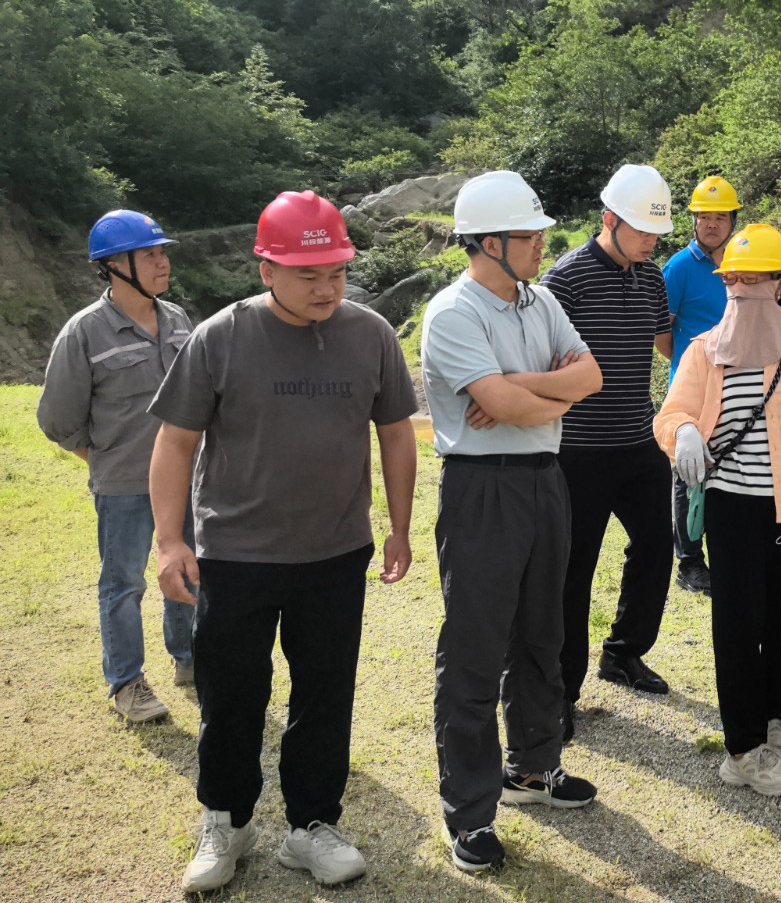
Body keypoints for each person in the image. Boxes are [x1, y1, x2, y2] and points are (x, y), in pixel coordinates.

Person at [148, 191, 418, 894]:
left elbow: (396, 433)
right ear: (266, 269)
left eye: (337, 272)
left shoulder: (371, 335)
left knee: (325, 695)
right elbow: (175, 443)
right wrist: (169, 541)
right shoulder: (220, 336)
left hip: (335, 552)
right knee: (231, 696)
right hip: (235, 553)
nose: (327, 288)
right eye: (308, 275)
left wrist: (398, 527)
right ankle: (226, 820)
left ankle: (312, 825)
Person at [420, 171, 603, 873]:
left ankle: (533, 766)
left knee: (541, 631)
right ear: (488, 242)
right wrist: (532, 393)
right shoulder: (453, 313)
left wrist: (517, 385)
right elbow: (514, 406)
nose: (540, 244)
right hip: (482, 486)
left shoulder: (542, 299)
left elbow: (589, 379)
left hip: (544, 480)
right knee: (475, 644)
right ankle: (469, 812)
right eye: (528, 236)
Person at [654, 224, 781, 797]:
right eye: (732, 280)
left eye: (754, 279)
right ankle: (743, 749)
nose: (741, 289)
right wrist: (684, 431)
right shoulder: (705, 349)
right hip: (732, 509)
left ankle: (780, 721)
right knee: (738, 625)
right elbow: (670, 414)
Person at [36, 210, 195, 723]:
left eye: (162, 252)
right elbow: (58, 420)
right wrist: (106, 461)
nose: (162, 262)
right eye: (150, 254)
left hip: (186, 481)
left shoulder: (179, 320)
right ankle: (127, 683)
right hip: (123, 485)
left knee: (187, 569)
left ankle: (189, 658)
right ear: (114, 266)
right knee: (124, 584)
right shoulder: (84, 332)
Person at [542, 164, 675, 731]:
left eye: (656, 233)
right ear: (608, 219)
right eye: (641, 230)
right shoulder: (565, 279)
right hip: (578, 450)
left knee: (658, 545)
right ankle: (560, 691)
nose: (649, 242)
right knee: (573, 568)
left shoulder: (653, 277)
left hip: (639, 440)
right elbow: (544, 362)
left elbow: (663, 344)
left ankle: (622, 652)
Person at [660, 174, 742, 594]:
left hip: (738, 386)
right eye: (704, 216)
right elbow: (661, 333)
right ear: (693, 221)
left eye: (720, 217)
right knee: (689, 475)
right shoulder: (678, 268)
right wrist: (689, 364)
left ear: (732, 222)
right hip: (691, 389)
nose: (711, 224)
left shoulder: (742, 264)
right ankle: (689, 563)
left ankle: (729, 557)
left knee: (730, 474)